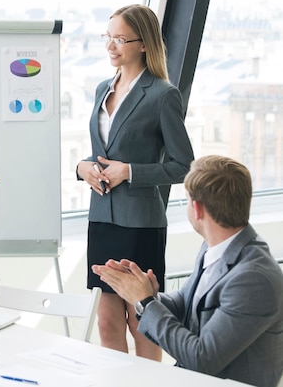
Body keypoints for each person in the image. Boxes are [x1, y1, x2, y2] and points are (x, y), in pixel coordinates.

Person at [92, 155, 283, 387]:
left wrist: (144, 302)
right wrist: (146, 292)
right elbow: (187, 303)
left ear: (197, 208)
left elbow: (200, 359)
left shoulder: (255, 279)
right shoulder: (216, 246)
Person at [76, 4, 194, 360]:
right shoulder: (101, 89)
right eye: (107, 38)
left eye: (120, 39)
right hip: (102, 220)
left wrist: (129, 171)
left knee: (142, 323)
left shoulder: (161, 95)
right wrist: (83, 168)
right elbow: (101, 150)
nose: (111, 46)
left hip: (140, 223)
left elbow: (183, 166)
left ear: (143, 43)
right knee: (107, 323)